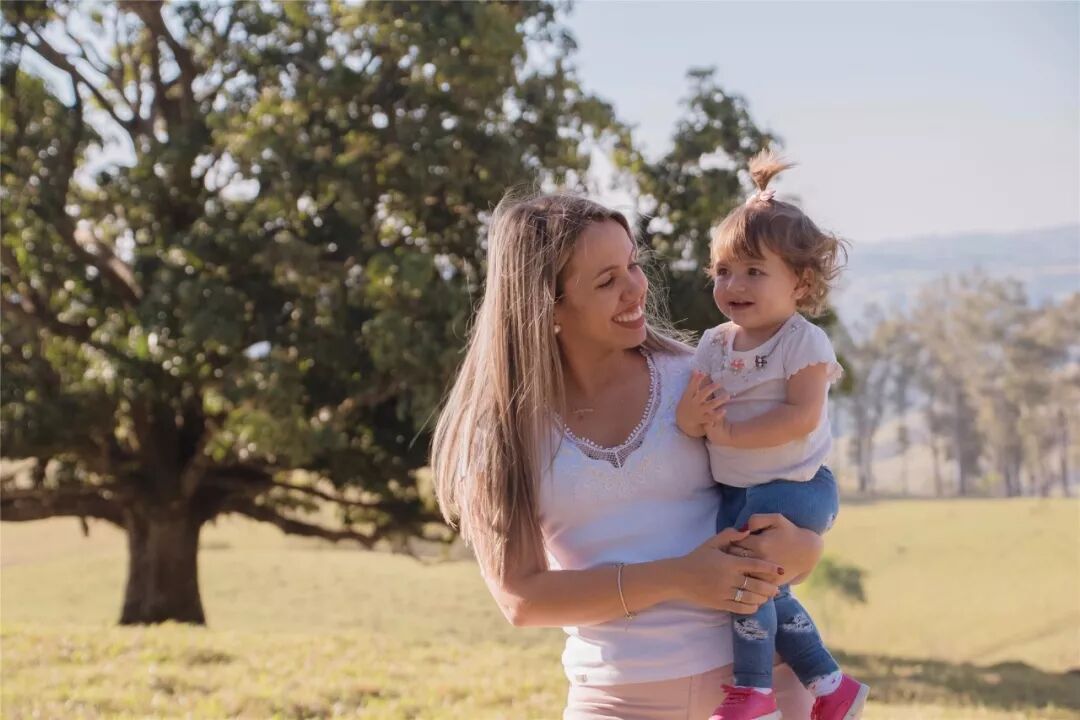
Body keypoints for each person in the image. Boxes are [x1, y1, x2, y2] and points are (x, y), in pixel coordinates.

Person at [431, 191, 825, 719]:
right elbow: (521, 599)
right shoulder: (503, 434)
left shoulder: (700, 380)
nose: (636, 287)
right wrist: (677, 576)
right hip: (614, 701)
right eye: (606, 280)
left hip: (761, 691)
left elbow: (798, 486)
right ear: (547, 305)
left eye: (633, 265)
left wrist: (805, 548)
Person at [675, 149, 868, 720]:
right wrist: (694, 421)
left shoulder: (802, 342)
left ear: (800, 283)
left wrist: (730, 433)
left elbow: (801, 417)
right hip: (741, 491)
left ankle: (754, 692)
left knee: (747, 582)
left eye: (754, 272)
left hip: (795, 486)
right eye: (723, 271)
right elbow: (692, 419)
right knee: (768, 591)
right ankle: (832, 687)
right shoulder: (714, 343)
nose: (734, 284)